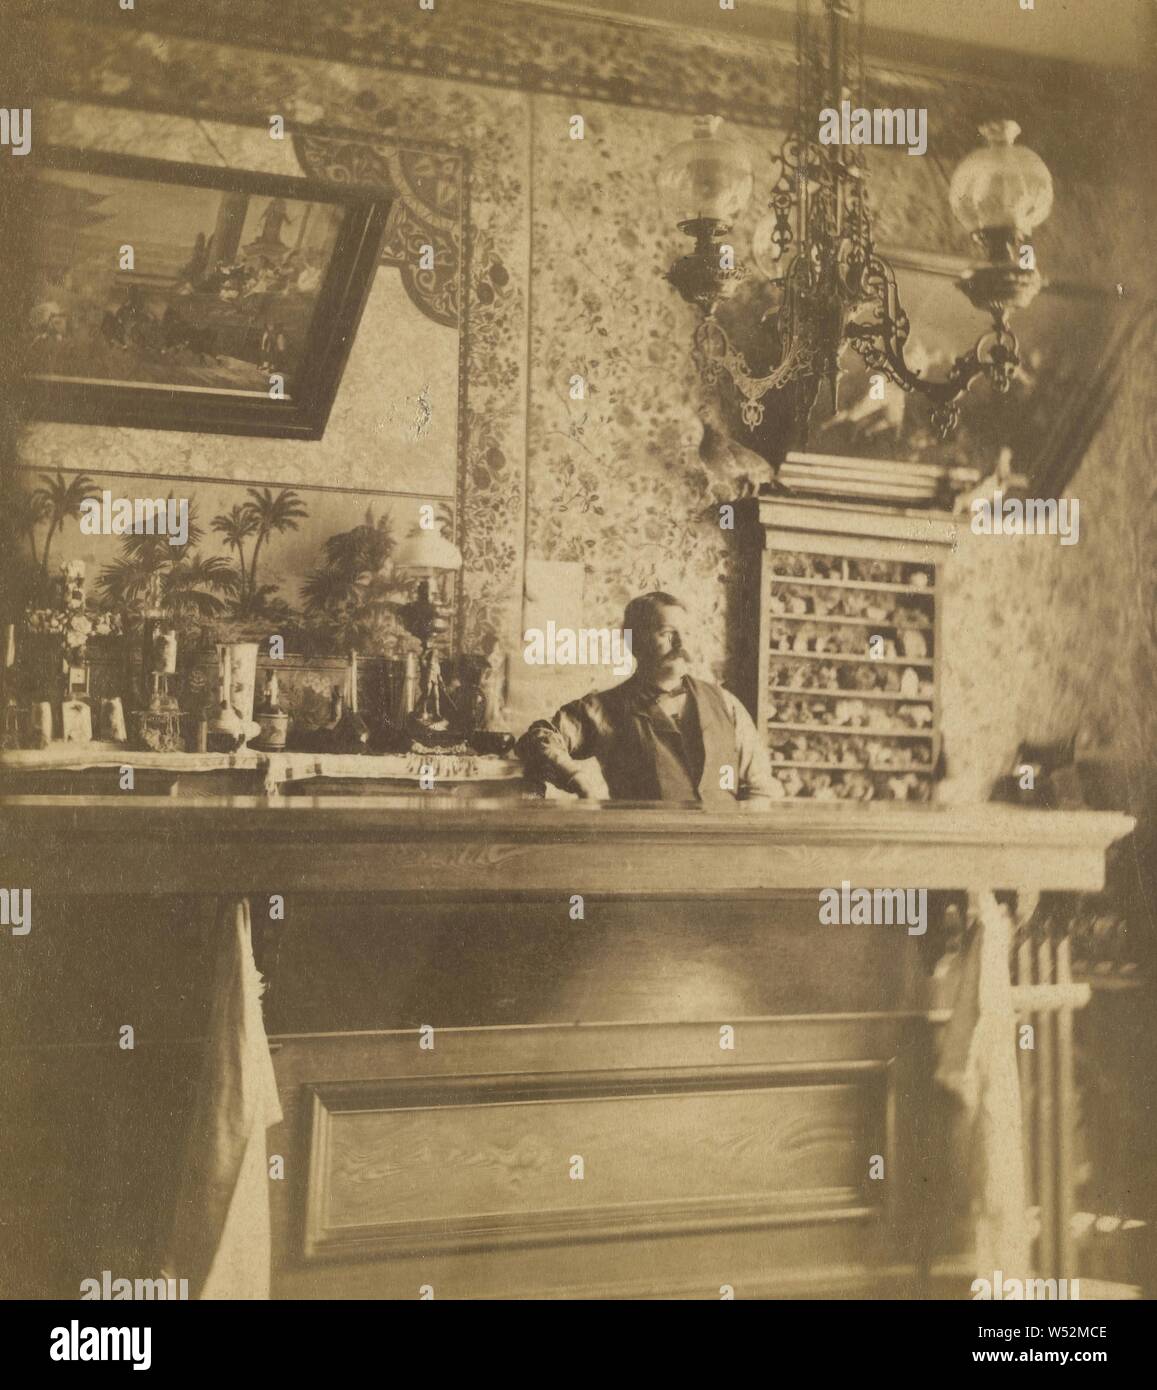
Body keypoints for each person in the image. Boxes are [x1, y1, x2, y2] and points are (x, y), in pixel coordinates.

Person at [516, 591, 775, 805]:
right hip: (643, 853)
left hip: (720, 856)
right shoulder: (605, 708)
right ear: (634, 642)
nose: (681, 643)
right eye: (666, 633)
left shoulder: (726, 703)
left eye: (687, 633)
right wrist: (574, 777)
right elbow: (538, 737)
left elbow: (760, 788)